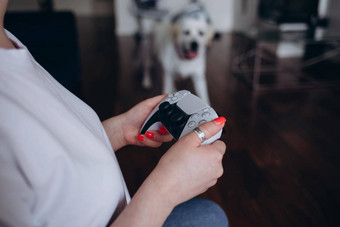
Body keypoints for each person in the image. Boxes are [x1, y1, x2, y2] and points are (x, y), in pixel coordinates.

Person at [0, 0, 228, 226]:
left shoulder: (7, 41)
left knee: (211, 214)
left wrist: (118, 131)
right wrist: (164, 191)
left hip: (123, 209)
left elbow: (45, 150)